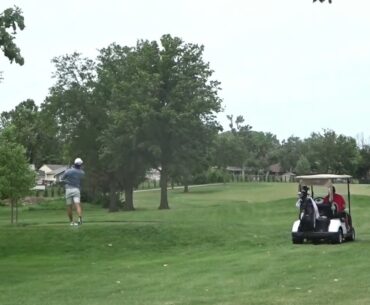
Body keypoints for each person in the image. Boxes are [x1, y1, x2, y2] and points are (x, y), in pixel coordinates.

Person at [61, 157, 85, 226]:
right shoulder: (82, 172)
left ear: (74, 163)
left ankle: (71, 222)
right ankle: (80, 219)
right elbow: (81, 175)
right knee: (77, 205)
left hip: (68, 190)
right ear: (80, 165)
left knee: (69, 206)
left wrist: (67, 177)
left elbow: (62, 179)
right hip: (76, 190)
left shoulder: (68, 171)